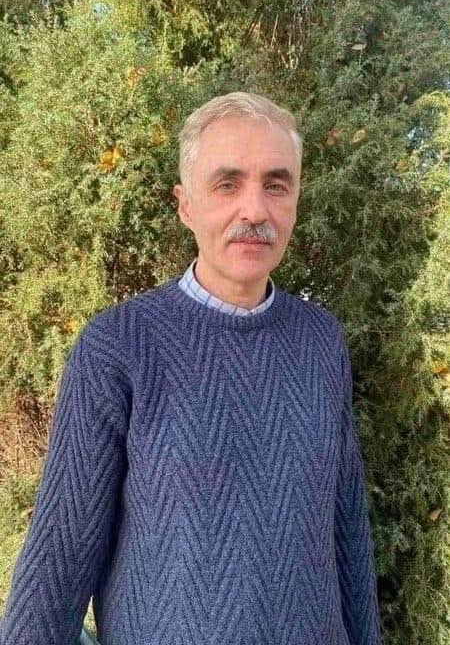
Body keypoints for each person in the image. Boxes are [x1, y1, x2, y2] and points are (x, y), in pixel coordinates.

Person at [0, 92, 383, 644]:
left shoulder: (321, 341)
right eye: (227, 184)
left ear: (296, 202)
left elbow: (347, 532)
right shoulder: (119, 347)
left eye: (276, 185)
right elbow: (59, 559)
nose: (255, 210)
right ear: (185, 205)